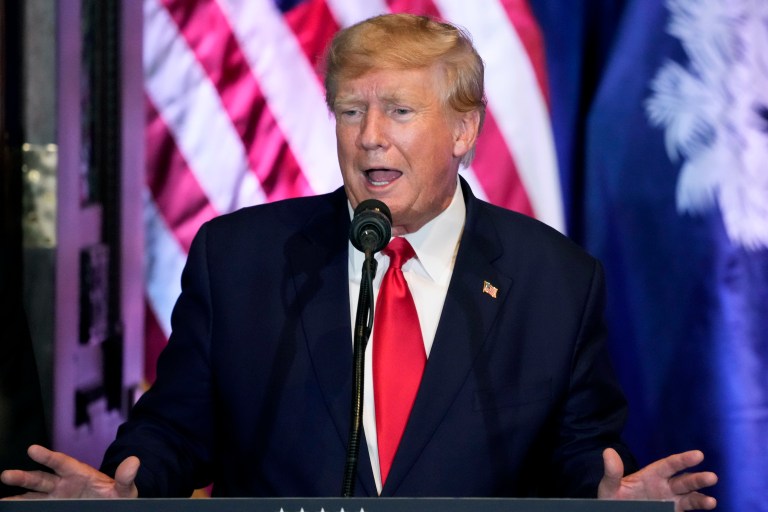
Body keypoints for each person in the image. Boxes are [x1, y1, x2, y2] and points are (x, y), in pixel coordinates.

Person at [1, 13, 717, 510]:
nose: (370, 137)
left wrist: (602, 494)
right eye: (351, 111)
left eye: (399, 111)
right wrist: (132, 483)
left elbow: (581, 451)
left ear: (463, 129)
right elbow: (178, 427)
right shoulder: (241, 258)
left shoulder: (554, 279)